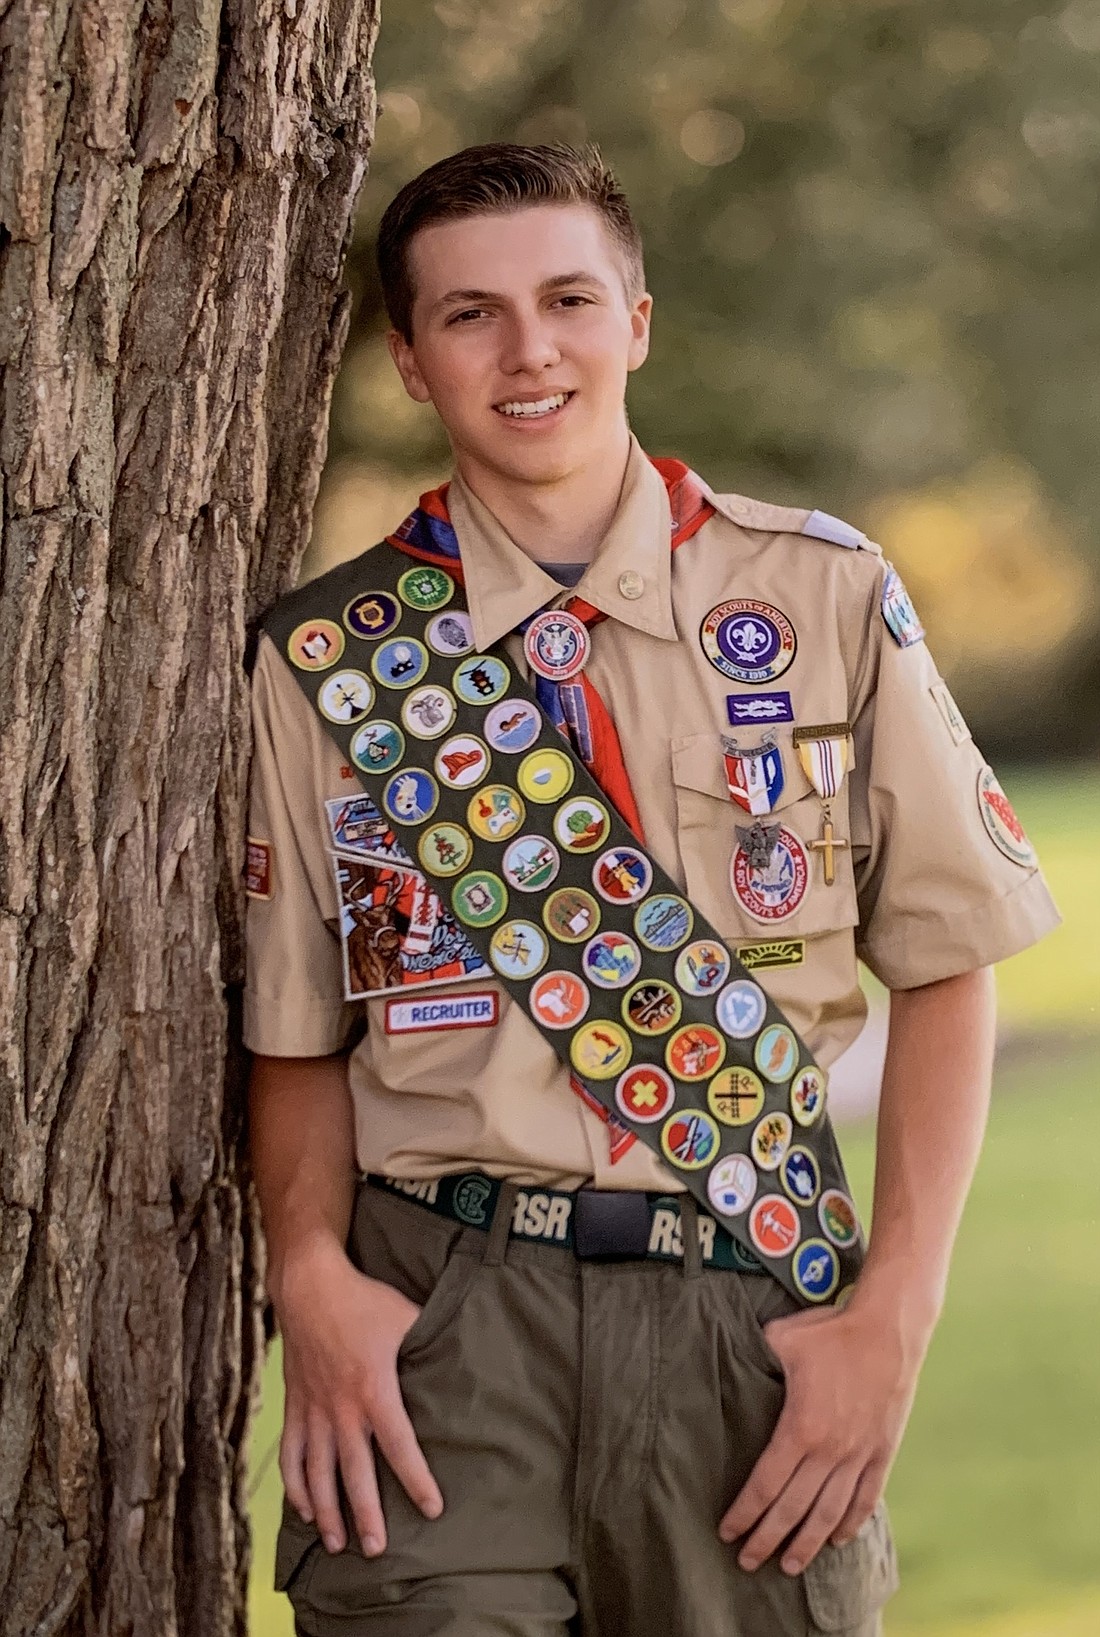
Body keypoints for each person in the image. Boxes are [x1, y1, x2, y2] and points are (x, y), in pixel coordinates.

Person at [244, 143, 1059, 1636]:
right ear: (412, 362)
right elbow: (294, 1026)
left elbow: (952, 958)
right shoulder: (334, 658)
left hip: (745, 1301)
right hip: (444, 1326)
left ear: (638, 320)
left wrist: (896, 1310)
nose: (529, 348)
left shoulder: (817, 596)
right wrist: (311, 1271)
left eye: (567, 298)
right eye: (470, 314)